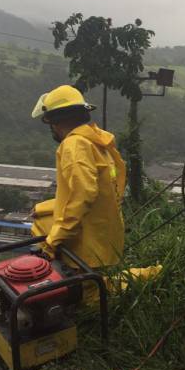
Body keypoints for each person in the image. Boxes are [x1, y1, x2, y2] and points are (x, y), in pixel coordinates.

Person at [30, 85, 126, 270]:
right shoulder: (96, 141)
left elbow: (83, 195)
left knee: (40, 228)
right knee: (42, 216)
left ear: (56, 121)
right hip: (105, 240)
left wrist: (52, 242)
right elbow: (93, 192)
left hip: (87, 249)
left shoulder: (74, 145)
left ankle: (154, 273)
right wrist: (43, 208)